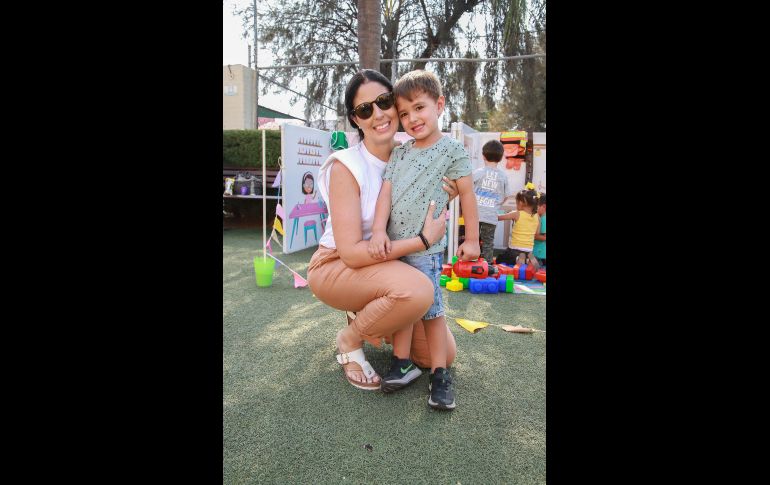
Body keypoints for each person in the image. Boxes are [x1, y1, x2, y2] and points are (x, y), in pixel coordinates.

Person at [306, 69, 459, 393]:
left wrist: (448, 190)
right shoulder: (346, 165)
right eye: (365, 109)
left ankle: (371, 311)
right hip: (339, 264)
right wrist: (421, 242)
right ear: (355, 119)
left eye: (384, 102)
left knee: (443, 355)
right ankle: (350, 338)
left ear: (396, 104)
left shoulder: (411, 152)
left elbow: (439, 188)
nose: (378, 114)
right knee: (418, 290)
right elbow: (351, 252)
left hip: (390, 266)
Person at [368, 70, 480, 410]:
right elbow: (384, 196)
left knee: (431, 312)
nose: (412, 118)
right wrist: (376, 231)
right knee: (404, 308)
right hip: (393, 248)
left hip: (425, 250)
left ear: (439, 105)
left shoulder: (451, 150)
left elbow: (468, 196)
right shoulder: (400, 153)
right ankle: (402, 362)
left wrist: (472, 239)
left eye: (419, 108)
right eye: (404, 113)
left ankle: (440, 372)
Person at [472, 139, 515, 263]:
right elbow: (506, 195)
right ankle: (488, 267)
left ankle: (471, 263)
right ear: (501, 158)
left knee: (472, 240)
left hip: (475, 215)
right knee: (488, 242)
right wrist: (497, 203)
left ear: (483, 155)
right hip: (491, 216)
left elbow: (467, 189)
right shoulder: (503, 176)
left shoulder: (478, 173)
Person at [495, 185, 540, 268]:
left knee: (500, 258)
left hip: (515, 249)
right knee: (525, 257)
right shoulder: (537, 216)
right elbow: (536, 233)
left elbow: (499, 218)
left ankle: (517, 259)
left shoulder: (517, 213)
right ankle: (527, 260)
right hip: (529, 250)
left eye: (516, 203)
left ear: (521, 203)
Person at [533, 193, 546, 268]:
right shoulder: (540, 217)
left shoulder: (544, 218)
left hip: (539, 253)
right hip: (538, 253)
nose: (536, 209)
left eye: (537, 207)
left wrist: (533, 235)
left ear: (544, 206)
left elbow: (544, 237)